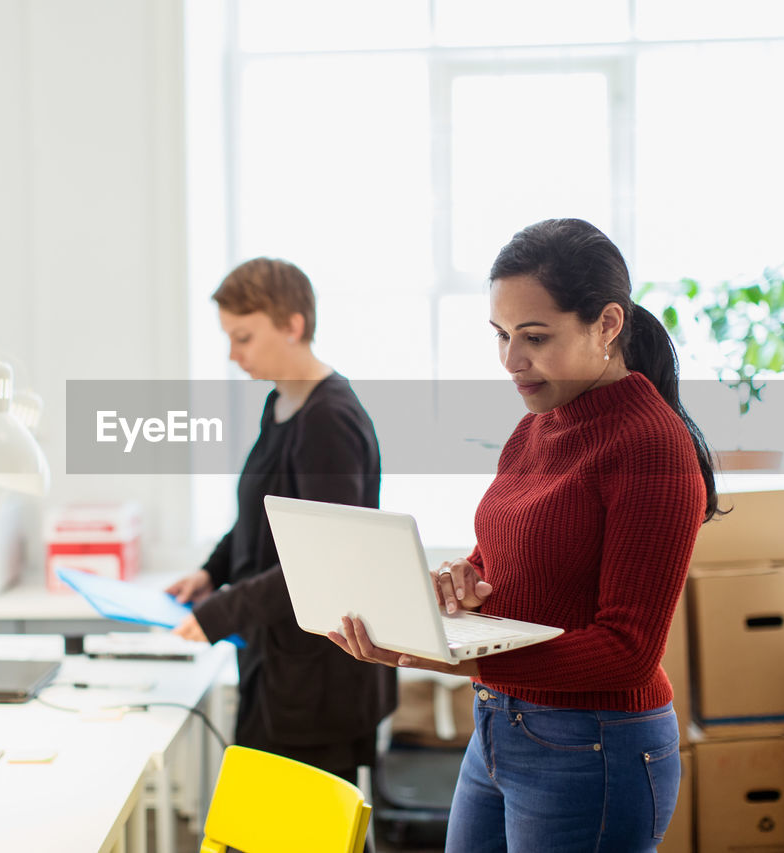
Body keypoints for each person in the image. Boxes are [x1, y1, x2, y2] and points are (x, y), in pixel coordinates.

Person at [329, 219, 719, 852]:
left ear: (608, 324)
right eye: (502, 335)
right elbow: (502, 562)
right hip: (499, 726)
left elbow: (627, 651)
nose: (512, 360)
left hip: (592, 743)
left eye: (535, 337)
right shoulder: (536, 428)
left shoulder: (651, 446)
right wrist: (459, 587)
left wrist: (446, 657)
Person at [167, 257, 397, 784]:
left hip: (317, 680)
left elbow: (327, 558)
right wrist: (211, 571)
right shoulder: (278, 405)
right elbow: (261, 516)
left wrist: (222, 610)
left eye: (243, 337)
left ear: (293, 325)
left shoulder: (328, 422)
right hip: (277, 665)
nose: (232, 354)